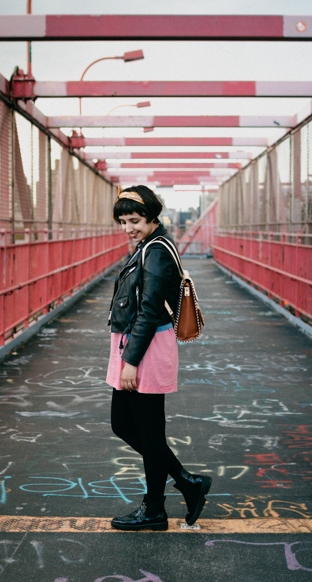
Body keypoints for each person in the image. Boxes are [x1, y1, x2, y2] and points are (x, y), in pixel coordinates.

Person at [105, 185, 212, 531]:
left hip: (145, 348)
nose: (128, 228)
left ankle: (155, 508)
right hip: (134, 343)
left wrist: (131, 362)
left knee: (149, 432)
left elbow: (150, 310)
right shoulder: (148, 246)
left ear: (152, 215)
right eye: (122, 221)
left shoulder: (156, 252)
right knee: (124, 423)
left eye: (134, 220)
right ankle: (186, 483)